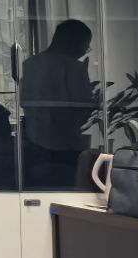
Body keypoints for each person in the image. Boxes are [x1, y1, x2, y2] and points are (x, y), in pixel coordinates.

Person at [20, 20, 94, 188]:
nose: (84, 51)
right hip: (66, 146)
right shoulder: (74, 68)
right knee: (65, 191)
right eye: (85, 45)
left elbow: (23, 101)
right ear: (74, 42)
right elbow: (83, 106)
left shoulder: (30, 64)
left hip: (34, 141)